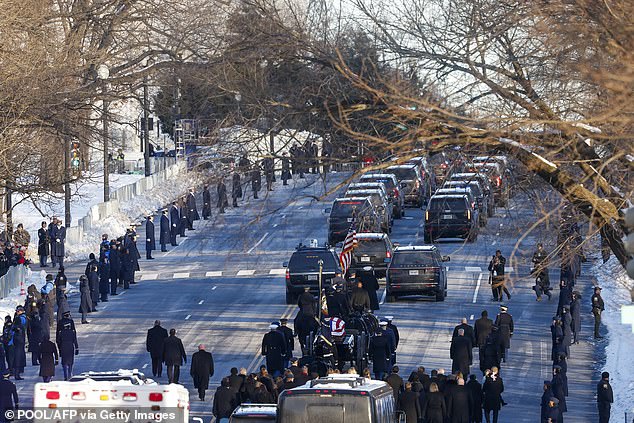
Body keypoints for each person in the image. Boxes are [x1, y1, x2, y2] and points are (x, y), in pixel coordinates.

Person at [55, 311, 78, 380]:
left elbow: (58, 339)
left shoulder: (61, 330)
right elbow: (75, 339)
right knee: (70, 361)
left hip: (63, 346)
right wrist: (77, 348)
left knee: (64, 361)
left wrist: (59, 347)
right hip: (70, 346)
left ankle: (65, 375)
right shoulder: (71, 330)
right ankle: (69, 373)